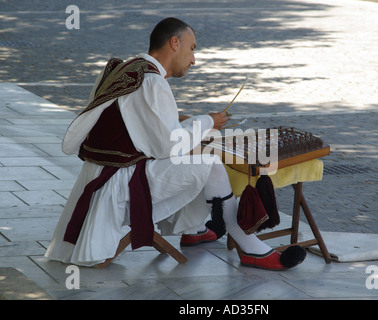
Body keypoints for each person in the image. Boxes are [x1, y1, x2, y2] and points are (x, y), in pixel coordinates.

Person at [45, 17, 303, 270]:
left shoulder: (126, 69)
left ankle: (195, 230)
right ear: (174, 43)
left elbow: (134, 117)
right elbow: (169, 146)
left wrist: (183, 120)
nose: (194, 60)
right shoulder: (152, 81)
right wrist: (207, 121)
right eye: (192, 49)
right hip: (120, 183)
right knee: (210, 163)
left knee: (195, 157)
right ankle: (249, 248)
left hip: (101, 175)